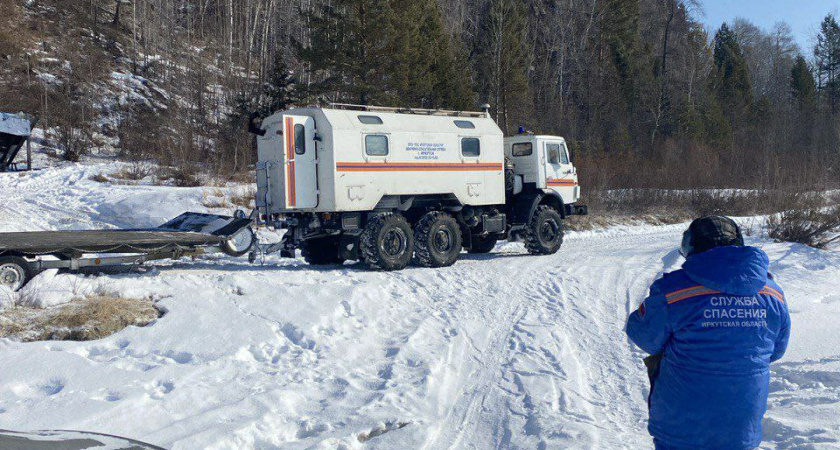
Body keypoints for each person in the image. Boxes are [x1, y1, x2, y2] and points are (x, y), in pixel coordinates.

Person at [626, 216, 791, 449]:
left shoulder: (673, 289)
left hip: (681, 425)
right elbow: (776, 350)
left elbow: (643, 336)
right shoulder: (772, 292)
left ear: (691, 247)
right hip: (742, 426)